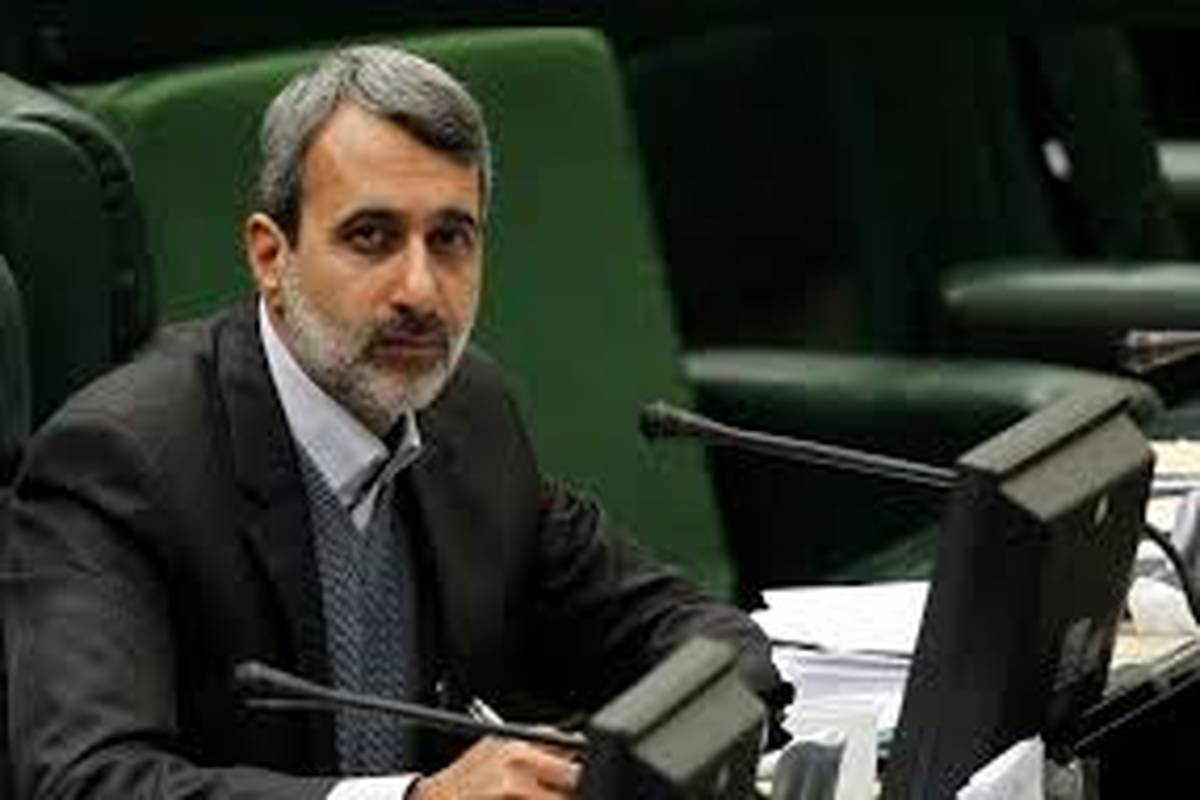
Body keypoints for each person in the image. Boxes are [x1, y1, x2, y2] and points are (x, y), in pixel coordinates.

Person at [2, 44, 785, 799]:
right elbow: (85, 781)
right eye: (370, 237)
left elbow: (698, 637)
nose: (420, 289)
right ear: (271, 257)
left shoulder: (468, 412)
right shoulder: (122, 462)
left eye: (450, 240)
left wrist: (607, 771)